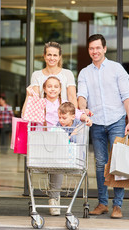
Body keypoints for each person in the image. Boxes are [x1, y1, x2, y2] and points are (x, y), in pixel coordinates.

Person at [77, 34, 129, 219]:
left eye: (97, 48)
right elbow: (81, 96)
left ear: (104, 48)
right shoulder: (85, 73)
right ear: (89, 50)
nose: (94, 51)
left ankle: (117, 206)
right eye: (91, 48)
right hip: (96, 123)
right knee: (101, 164)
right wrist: (83, 109)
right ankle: (102, 203)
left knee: (118, 163)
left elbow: (127, 97)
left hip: (117, 120)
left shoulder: (117, 69)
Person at [23, 76, 89, 216]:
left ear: (60, 90)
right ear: (45, 89)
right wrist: (30, 98)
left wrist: (85, 118)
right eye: (49, 86)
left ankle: (54, 199)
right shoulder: (40, 102)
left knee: (57, 167)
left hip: (59, 141)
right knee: (44, 165)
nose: (52, 89)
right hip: (44, 140)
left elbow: (76, 113)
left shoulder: (64, 103)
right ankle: (51, 197)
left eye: (55, 86)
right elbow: (27, 116)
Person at [29, 41, 78, 108]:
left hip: (64, 116)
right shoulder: (36, 75)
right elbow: (35, 100)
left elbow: (72, 99)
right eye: (49, 55)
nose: (52, 58)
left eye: (55, 55)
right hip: (43, 115)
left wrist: (72, 117)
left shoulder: (67, 74)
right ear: (44, 56)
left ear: (59, 57)